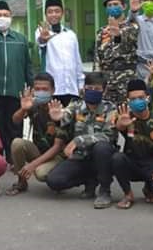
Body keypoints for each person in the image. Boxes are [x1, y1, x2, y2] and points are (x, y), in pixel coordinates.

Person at [45, 72, 118, 209]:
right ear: (84, 88)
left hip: (101, 157)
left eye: (97, 89)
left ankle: (104, 190)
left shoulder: (110, 108)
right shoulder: (76, 105)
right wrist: (58, 116)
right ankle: (89, 180)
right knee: (54, 181)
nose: (92, 92)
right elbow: (65, 116)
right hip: (80, 157)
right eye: (89, 88)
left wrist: (79, 140)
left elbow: (109, 135)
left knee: (101, 148)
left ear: (105, 90)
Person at [0, 0, 33, 164]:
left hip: (14, 92)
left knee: (14, 126)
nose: (2, 18)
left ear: (11, 16)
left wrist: (30, 89)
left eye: (5, 15)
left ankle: (13, 159)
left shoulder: (21, 39)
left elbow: (27, 66)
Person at [111, 79, 153, 209]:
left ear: (147, 98)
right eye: (133, 99)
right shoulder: (126, 117)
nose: (137, 101)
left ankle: (149, 189)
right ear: (128, 101)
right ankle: (128, 194)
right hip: (132, 162)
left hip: (152, 163)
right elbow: (119, 127)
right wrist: (121, 123)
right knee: (117, 158)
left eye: (141, 97)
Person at [5, 72, 66, 196]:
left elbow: (57, 147)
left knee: (40, 173)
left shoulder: (59, 109)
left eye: (45, 89)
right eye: (37, 89)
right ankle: (21, 182)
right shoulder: (34, 105)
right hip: (39, 151)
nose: (41, 92)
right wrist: (23, 109)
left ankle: (60, 179)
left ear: (53, 90)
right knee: (17, 143)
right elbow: (15, 120)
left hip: (58, 156)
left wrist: (32, 165)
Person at [36, 0, 84, 106]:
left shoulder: (71, 35)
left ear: (62, 13)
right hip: (52, 90)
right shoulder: (40, 32)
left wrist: (81, 84)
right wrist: (43, 38)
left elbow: (77, 61)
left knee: (71, 121)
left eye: (57, 11)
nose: (54, 14)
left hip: (72, 89)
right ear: (46, 14)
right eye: (50, 12)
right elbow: (41, 42)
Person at [93, 0, 138, 104]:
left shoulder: (132, 26)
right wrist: (95, 81)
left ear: (124, 6)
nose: (112, 7)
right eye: (109, 5)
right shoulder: (102, 31)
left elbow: (127, 39)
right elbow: (97, 58)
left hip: (126, 79)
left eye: (115, 4)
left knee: (126, 111)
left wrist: (118, 35)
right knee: (107, 113)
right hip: (107, 81)